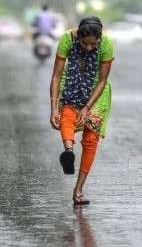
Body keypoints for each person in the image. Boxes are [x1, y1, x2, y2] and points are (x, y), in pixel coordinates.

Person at [49, 16, 114, 206]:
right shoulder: (67, 40)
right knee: (67, 116)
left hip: (97, 92)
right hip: (72, 84)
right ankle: (68, 152)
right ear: (78, 36)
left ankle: (78, 190)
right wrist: (53, 107)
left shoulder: (107, 45)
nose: (88, 48)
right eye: (84, 43)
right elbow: (56, 76)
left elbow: (102, 80)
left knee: (91, 139)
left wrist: (87, 107)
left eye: (93, 44)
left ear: (99, 38)